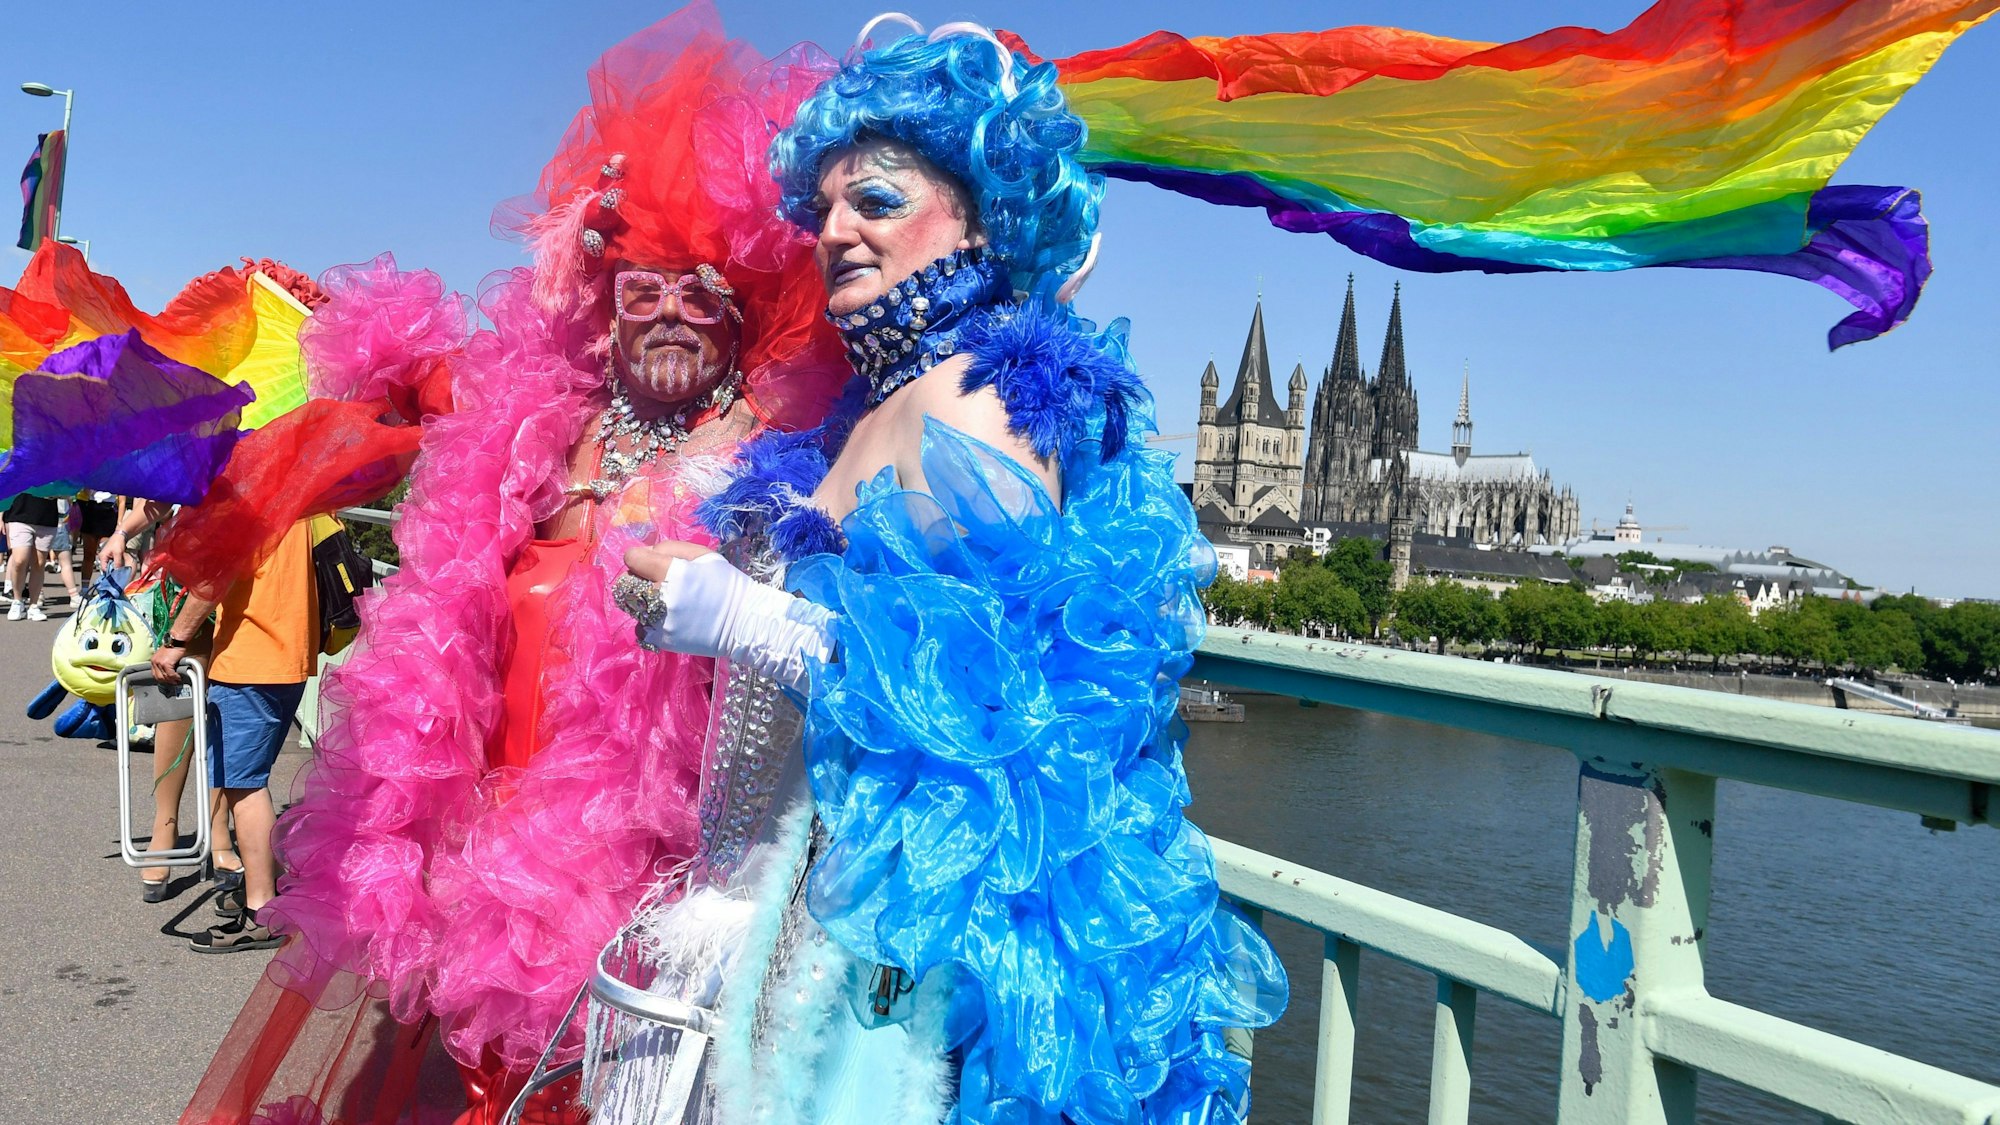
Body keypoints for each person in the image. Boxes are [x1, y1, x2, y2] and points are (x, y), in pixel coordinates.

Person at [180, 9, 844, 1123]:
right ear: (604, 304)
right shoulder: (534, 432)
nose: (671, 315)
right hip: (473, 844)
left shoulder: (771, 462)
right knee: (472, 1082)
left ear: (746, 317)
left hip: (646, 870)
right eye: (643, 291)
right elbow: (398, 403)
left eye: (703, 295)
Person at [614, 22, 1285, 1123]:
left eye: (875, 201)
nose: (834, 230)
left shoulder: (984, 402)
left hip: (906, 966)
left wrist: (743, 620)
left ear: (981, 218)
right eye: (823, 206)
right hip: (811, 897)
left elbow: (998, 711)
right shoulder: (879, 405)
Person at [151, 515, 317, 953]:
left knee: (244, 785)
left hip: (249, 659)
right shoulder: (304, 503)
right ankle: (262, 891)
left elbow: (212, 581)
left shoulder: (257, 509)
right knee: (247, 778)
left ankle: (259, 911)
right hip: (290, 655)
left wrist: (176, 637)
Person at [4, 490, 60, 620]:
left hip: (46, 517)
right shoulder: (17, 467)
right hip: (18, 514)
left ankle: (33, 606)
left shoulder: (53, 468)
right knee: (19, 561)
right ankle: (17, 601)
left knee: (39, 563)